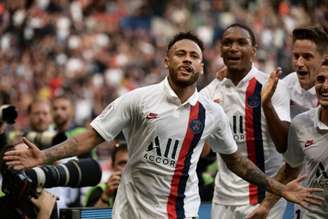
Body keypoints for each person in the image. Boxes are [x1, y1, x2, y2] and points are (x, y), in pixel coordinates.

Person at [3, 32, 323, 219]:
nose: (186, 59)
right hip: (131, 213)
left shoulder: (211, 112)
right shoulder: (138, 100)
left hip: (181, 213)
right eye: (179, 53)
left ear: (202, 66)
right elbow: (90, 138)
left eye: (193, 55)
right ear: (165, 61)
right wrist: (44, 157)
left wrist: (278, 188)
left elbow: (236, 161)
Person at [201, 23, 291, 219]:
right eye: (228, 43)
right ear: (220, 50)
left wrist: (266, 104)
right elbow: (203, 151)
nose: (234, 48)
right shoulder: (208, 93)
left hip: (265, 197)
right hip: (223, 198)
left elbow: (284, 145)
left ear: (253, 50)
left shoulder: (273, 86)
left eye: (241, 42)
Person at [247, 63, 328, 219]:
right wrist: (265, 206)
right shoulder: (301, 123)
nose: (325, 86)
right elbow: (289, 169)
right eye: (320, 79)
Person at [283, 26, 328, 120]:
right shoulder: (285, 86)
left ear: (325, 59)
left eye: (307, 57)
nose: (299, 63)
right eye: (296, 56)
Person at [84, 141, 128, 208]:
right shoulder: (99, 191)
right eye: (122, 163)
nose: (127, 168)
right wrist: (106, 196)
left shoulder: (146, 189)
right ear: (112, 166)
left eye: (131, 163)